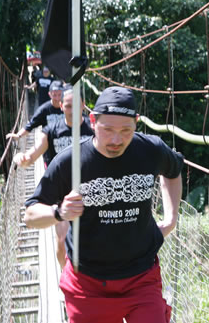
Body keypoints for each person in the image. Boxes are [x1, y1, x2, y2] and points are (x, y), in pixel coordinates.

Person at [24, 86, 183, 323]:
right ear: (92, 121)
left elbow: (173, 171)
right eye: (107, 129)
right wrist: (59, 212)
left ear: (136, 123)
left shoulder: (151, 149)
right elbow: (30, 215)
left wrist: (171, 219)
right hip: (88, 284)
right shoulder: (71, 160)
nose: (116, 140)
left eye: (126, 130)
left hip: (142, 278)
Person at [13, 87, 94, 268]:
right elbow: (33, 155)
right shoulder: (51, 130)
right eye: (68, 106)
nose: (72, 110)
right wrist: (23, 159)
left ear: (83, 105)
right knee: (62, 241)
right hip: (62, 193)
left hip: (91, 190)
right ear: (61, 106)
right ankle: (66, 276)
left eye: (76, 105)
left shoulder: (93, 129)